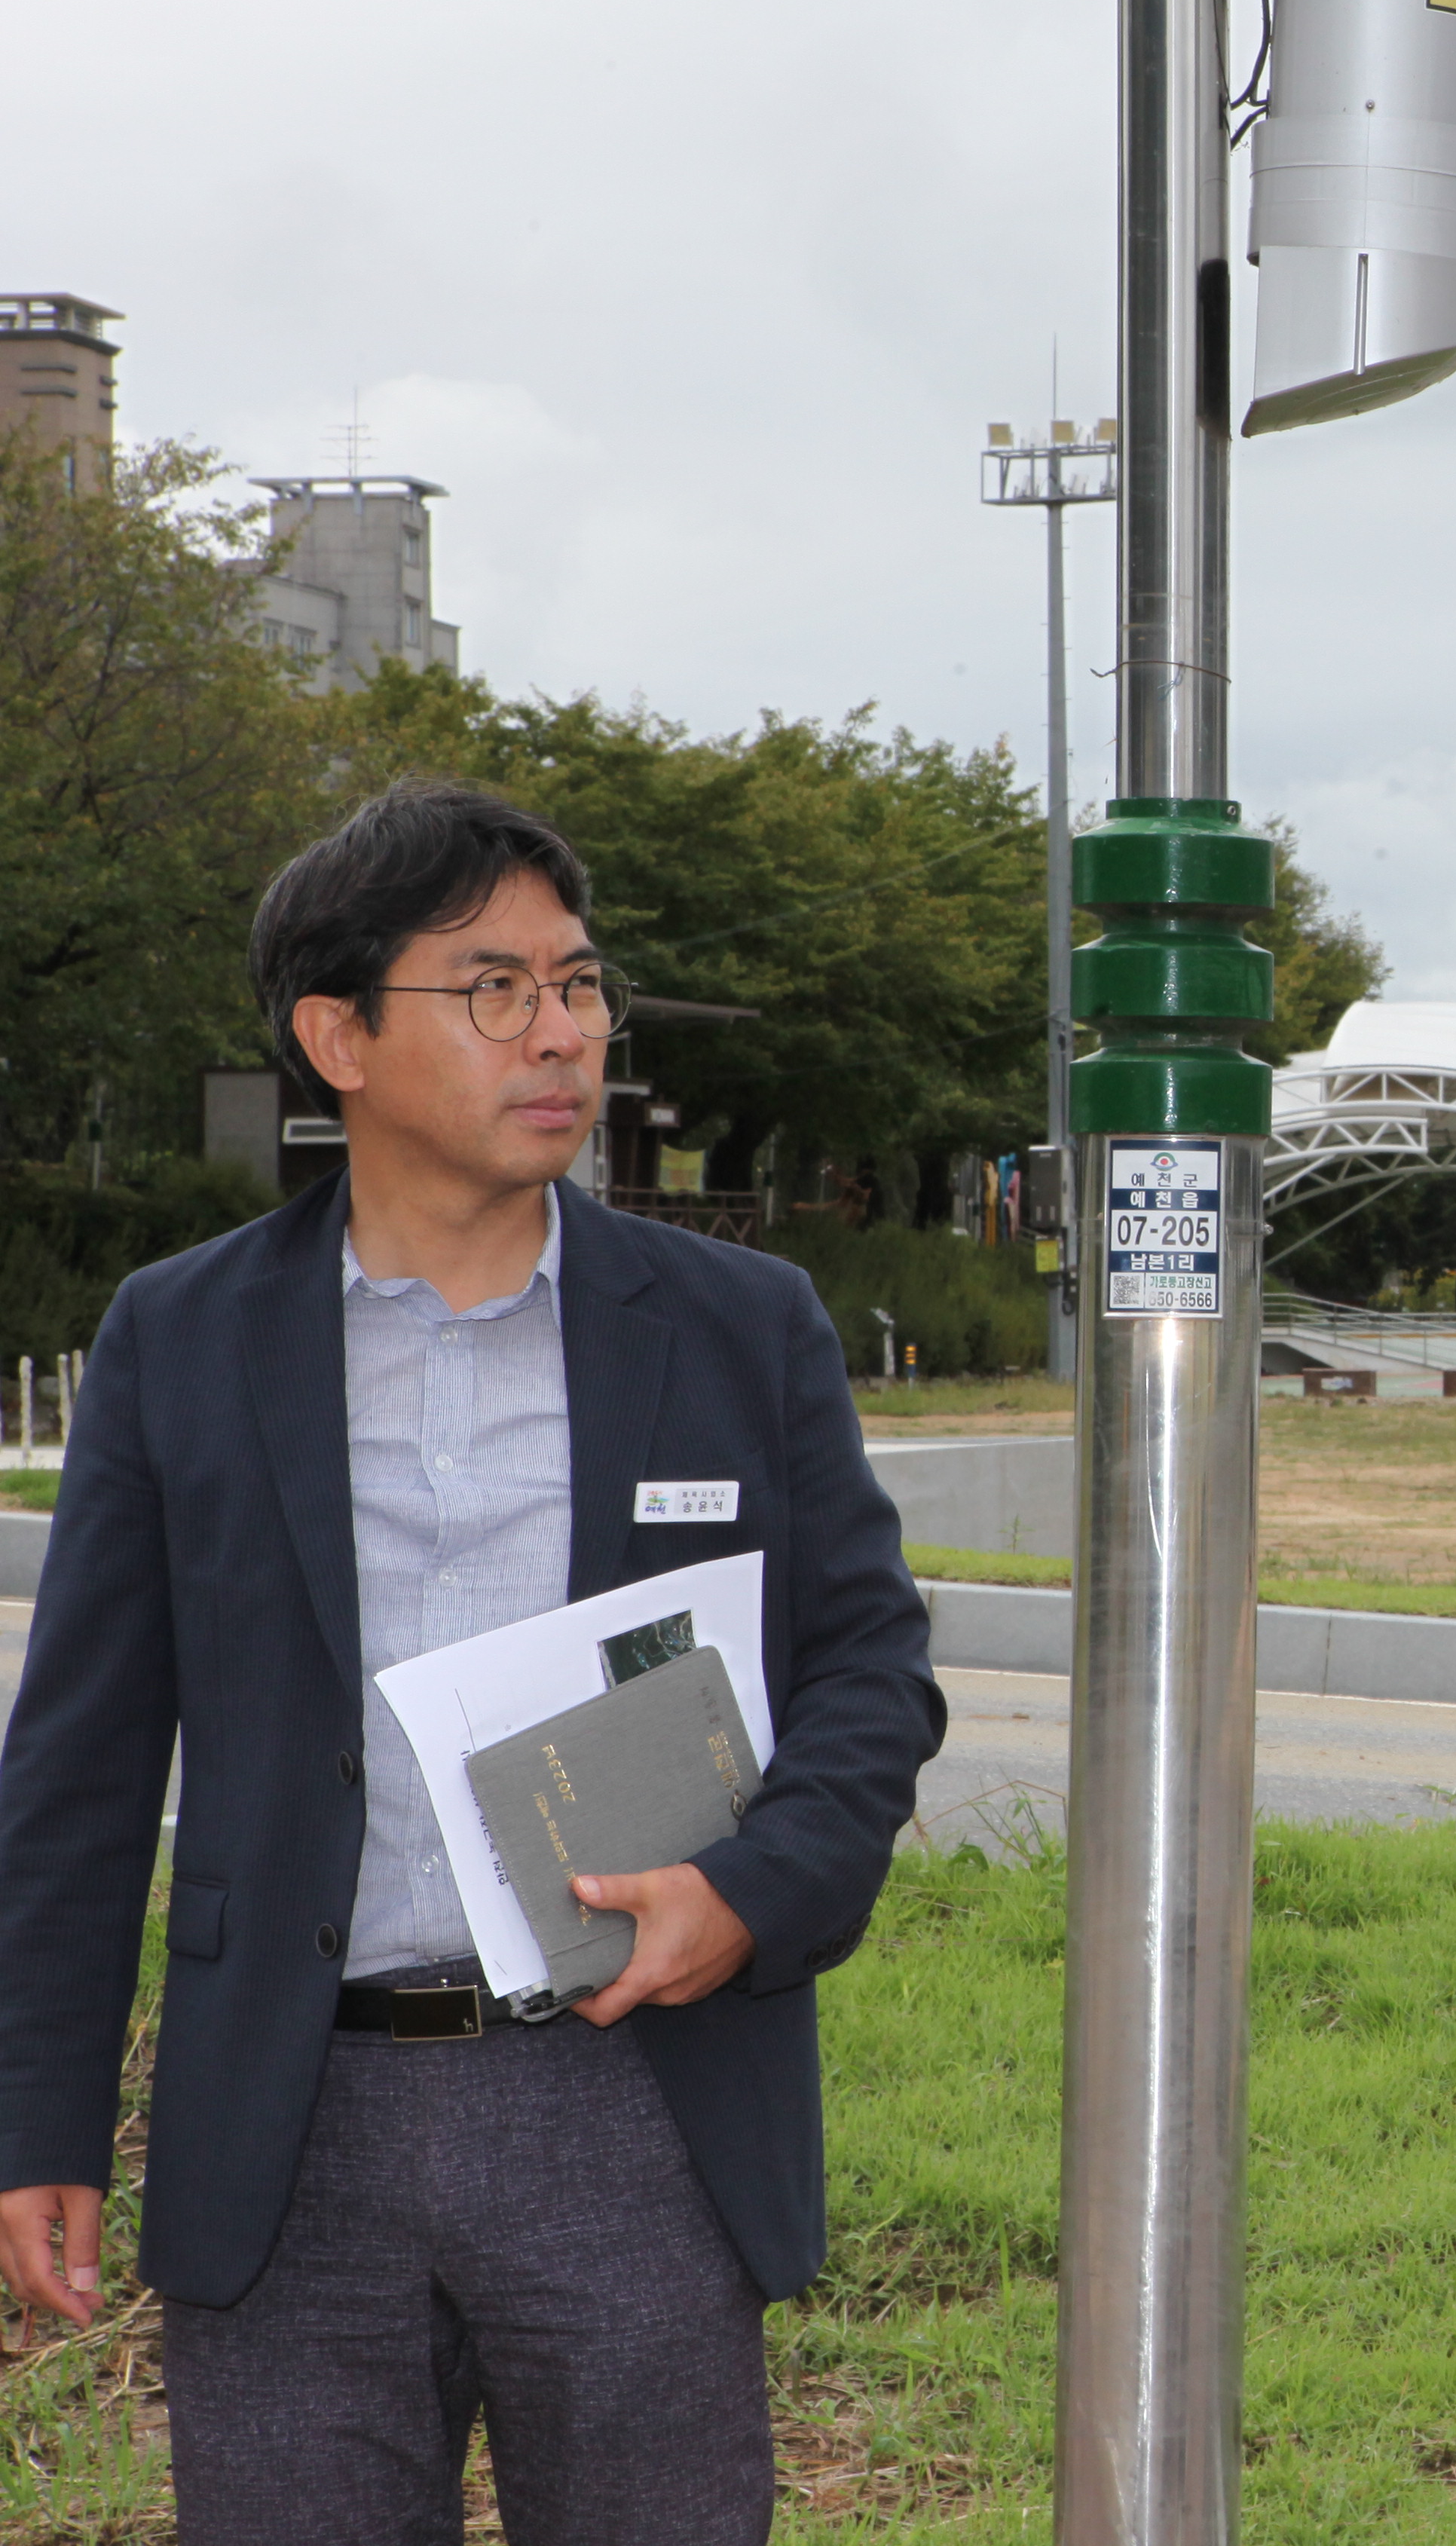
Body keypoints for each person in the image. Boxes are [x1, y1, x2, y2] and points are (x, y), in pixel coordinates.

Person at [0, 781, 949, 2545]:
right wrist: (34, 2112)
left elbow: (872, 1673)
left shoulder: (741, 1327)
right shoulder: (182, 1337)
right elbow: (77, 1768)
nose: (563, 1034)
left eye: (581, 986)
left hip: (634, 2094)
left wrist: (750, 1894)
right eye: (493, 988)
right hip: (292, 2119)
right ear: (336, 1036)